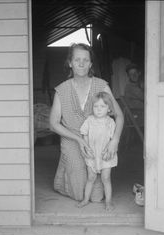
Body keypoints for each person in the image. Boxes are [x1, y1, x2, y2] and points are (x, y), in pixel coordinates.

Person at [49, 43, 124, 203]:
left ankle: (69, 167)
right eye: (77, 60)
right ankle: (66, 167)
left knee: (96, 197)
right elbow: (53, 124)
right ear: (70, 63)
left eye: (85, 60)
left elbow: (119, 115)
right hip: (72, 139)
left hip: (97, 142)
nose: (81, 63)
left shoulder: (101, 85)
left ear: (90, 64)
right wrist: (79, 139)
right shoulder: (62, 90)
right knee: (79, 194)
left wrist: (114, 141)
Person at [77, 92, 117, 211]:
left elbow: (112, 140)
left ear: (109, 108)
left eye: (102, 106)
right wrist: (87, 148)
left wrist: (110, 149)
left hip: (105, 155)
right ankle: (85, 199)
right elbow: (84, 134)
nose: (99, 109)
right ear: (92, 107)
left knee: (106, 178)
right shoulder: (89, 120)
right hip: (92, 154)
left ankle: (108, 202)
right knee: (91, 177)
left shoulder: (110, 122)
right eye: (96, 106)